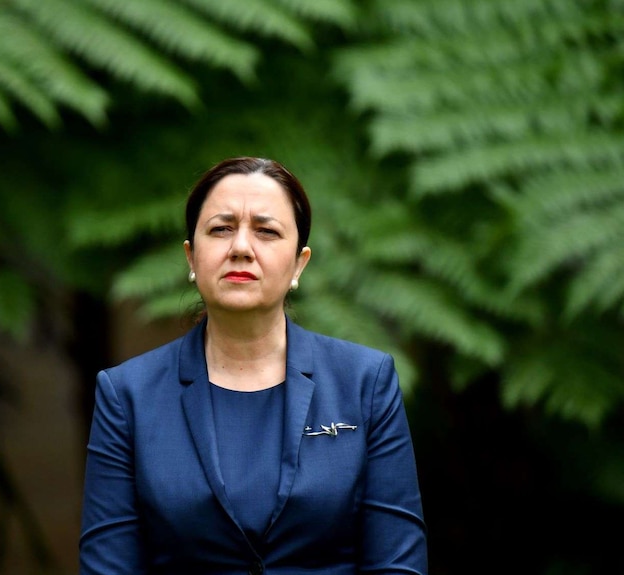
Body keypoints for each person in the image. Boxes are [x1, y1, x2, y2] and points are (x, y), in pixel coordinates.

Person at [79, 157, 428, 574]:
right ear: (192, 257)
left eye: (266, 231)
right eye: (221, 229)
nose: (241, 247)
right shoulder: (127, 395)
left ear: (299, 263)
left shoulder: (364, 383)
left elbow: (397, 563)